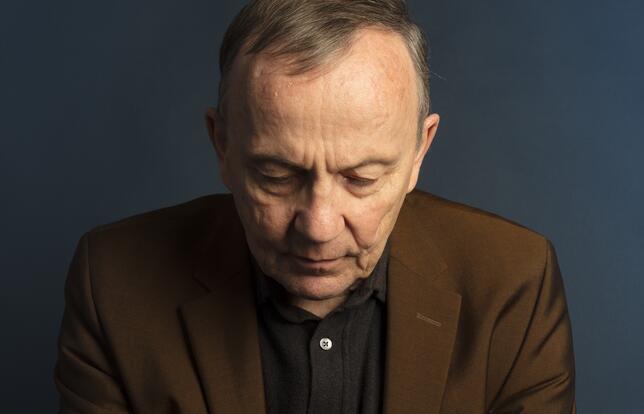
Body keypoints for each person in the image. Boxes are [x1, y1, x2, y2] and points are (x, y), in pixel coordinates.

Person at [54, 0, 576, 413]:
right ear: (222, 146)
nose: (319, 227)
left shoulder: (514, 284)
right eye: (277, 176)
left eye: (361, 178)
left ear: (420, 151)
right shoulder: (113, 284)